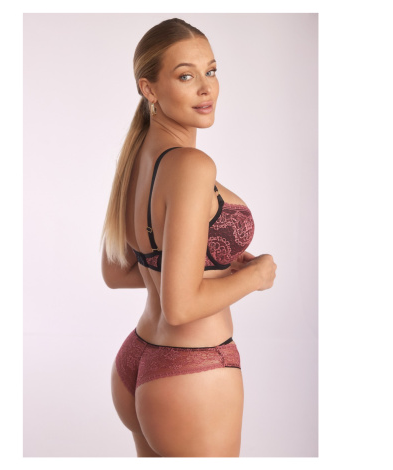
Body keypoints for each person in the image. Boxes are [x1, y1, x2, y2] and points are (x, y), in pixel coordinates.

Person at [100, 18, 277, 457]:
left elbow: (117, 272)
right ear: (149, 89)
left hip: (137, 358)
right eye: (185, 76)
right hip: (191, 371)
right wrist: (256, 276)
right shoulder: (191, 166)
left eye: (211, 71)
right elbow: (180, 307)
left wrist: (209, 268)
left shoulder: (137, 157)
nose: (205, 88)